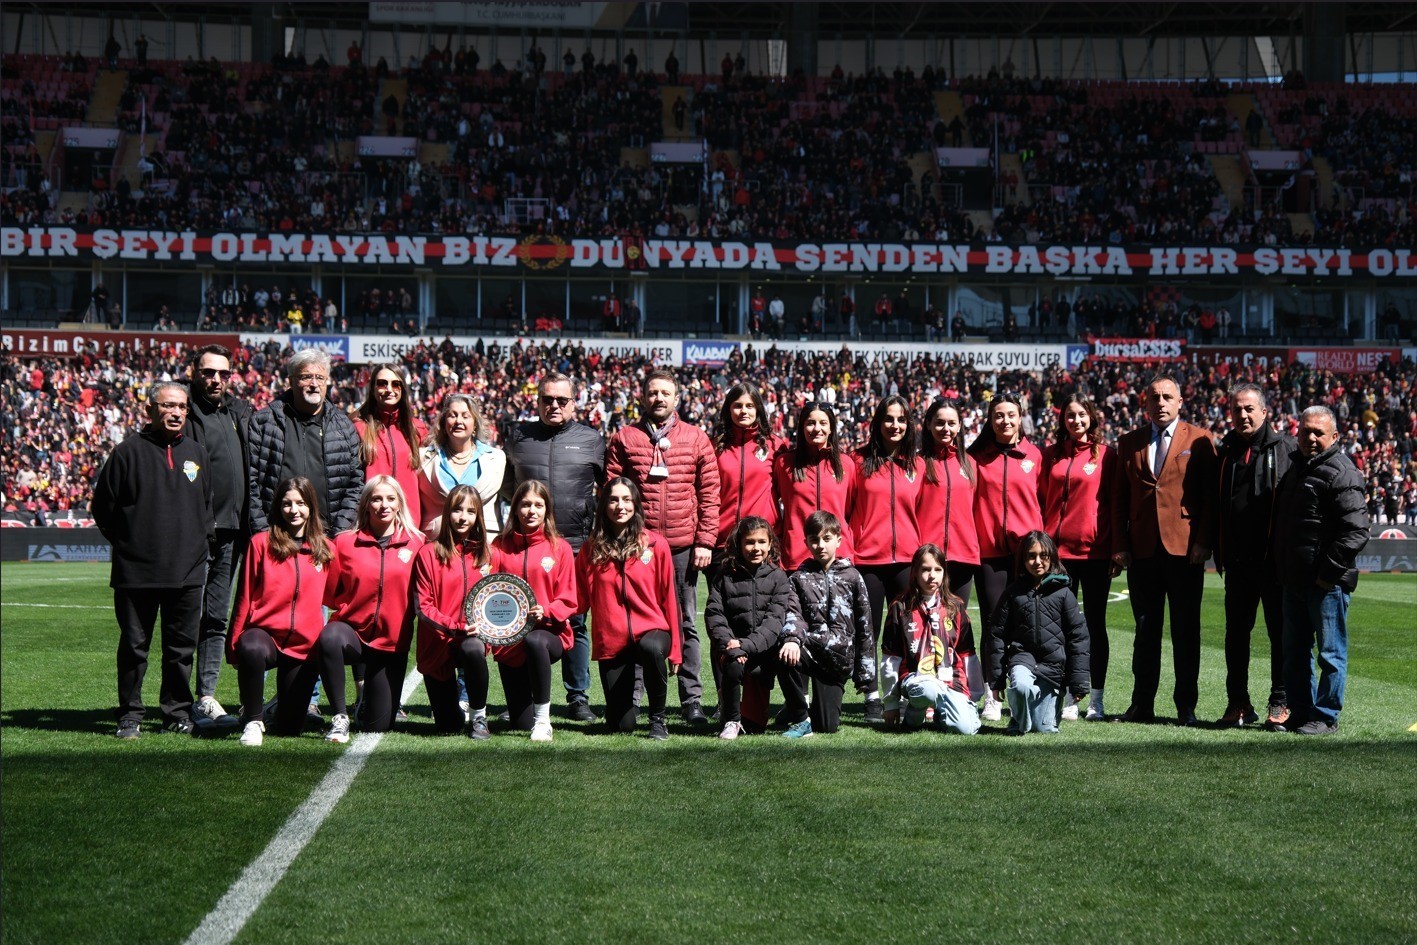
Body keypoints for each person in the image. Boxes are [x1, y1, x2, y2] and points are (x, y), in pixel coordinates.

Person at [92, 382, 213, 738]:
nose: (176, 413)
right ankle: (130, 714)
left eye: (182, 407)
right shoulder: (126, 453)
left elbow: (206, 506)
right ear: (150, 411)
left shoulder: (197, 453)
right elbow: (104, 509)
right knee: (134, 648)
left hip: (188, 572)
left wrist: (203, 542)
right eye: (168, 406)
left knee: (180, 650)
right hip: (136, 572)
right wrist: (132, 544)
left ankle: (176, 711)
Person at [606, 369, 719, 725]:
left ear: (676, 398)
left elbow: (710, 494)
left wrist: (705, 540)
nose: (658, 398)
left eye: (665, 393)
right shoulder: (625, 438)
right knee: (637, 624)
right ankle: (637, 699)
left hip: (684, 546)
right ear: (643, 397)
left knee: (686, 622)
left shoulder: (697, 438)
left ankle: (692, 700)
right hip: (638, 547)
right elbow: (612, 490)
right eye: (652, 392)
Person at [1111, 374, 1217, 726]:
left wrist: (1204, 541)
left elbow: (1209, 497)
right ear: (1145, 402)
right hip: (1142, 551)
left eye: (1167, 396)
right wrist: (1121, 546)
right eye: (1154, 396)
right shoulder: (1129, 442)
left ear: (1180, 401)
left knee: (1186, 631)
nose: (1160, 402)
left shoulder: (1201, 439)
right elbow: (1118, 501)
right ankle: (1142, 704)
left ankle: (1186, 706)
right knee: (1145, 633)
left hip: (1185, 550)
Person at [503, 373, 605, 722]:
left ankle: (578, 698)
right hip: (525, 549)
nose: (555, 406)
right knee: (520, 621)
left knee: (573, 621)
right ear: (538, 400)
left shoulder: (591, 440)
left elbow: (608, 492)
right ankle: (524, 700)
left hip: (574, 547)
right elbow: (507, 488)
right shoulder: (518, 437)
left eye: (562, 400)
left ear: (574, 402)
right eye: (548, 399)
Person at [1271, 406, 1369, 735]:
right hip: (1294, 581)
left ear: (1334, 437)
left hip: (1325, 584)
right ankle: (1301, 712)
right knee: (1294, 653)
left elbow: (1356, 531)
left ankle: (1326, 716)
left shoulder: (1342, 472)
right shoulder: (1296, 470)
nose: (1311, 438)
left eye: (1318, 433)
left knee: (1330, 653)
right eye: (1305, 431)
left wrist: (1326, 574)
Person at [316, 476, 424, 743]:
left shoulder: (418, 543)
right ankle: (340, 717)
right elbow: (330, 592)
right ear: (366, 504)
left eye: (390, 498)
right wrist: (350, 607)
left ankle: (366, 699)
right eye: (376, 498)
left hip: (391, 645)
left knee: (378, 726)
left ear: (399, 503)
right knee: (329, 637)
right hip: (352, 634)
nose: (383, 505)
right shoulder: (344, 543)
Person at [228, 477, 334, 746]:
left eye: (300, 503)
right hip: (265, 637)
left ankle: (275, 710)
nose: (294, 510)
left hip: (304, 646)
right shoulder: (260, 543)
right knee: (251, 646)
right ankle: (253, 720)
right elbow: (244, 597)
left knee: (289, 729)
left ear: (311, 507)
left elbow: (339, 595)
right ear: (278, 507)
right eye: (287, 504)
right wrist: (234, 644)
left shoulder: (326, 549)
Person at [1213, 384, 1295, 729]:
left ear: (1264, 412)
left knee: (1280, 634)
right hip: (1237, 563)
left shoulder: (1286, 449)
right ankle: (1238, 702)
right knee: (1236, 636)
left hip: (1273, 565)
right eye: (1237, 410)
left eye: (1249, 409)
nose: (1243, 415)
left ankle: (1281, 701)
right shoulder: (1226, 451)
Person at [576, 477, 681, 740]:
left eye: (625, 499)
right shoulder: (591, 548)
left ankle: (658, 720)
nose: (619, 506)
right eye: (613, 499)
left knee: (650, 648)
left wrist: (676, 652)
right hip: (613, 641)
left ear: (635, 503)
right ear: (603, 505)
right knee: (621, 726)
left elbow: (670, 598)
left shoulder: (656, 545)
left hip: (653, 631)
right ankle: (626, 713)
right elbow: (576, 599)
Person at [184, 344, 252, 723]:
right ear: (195, 372)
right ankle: (177, 701)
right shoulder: (185, 413)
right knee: (186, 616)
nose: (215, 380)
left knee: (215, 618)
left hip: (233, 533)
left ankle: (206, 695)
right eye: (208, 372)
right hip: (196, 533)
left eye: (222, 374)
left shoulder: (236, 412)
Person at [968, 393, 1044, 722]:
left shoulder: (1035, 456)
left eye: (1011, 415)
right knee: (993, 626)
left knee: (1025, 626)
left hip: (1026, 557)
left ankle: (1023, 690)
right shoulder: (975, 457)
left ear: (1021, 416)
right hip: (988, 554)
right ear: (990, 419)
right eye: (998, 415)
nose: (1005, 421)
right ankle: (992, 693)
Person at [1039, 396, 1115, 721]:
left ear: (1091, 417)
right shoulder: (1051, 455)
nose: (1076, 420)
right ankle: (1070, 694)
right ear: (1063, 420)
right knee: (1061, 629)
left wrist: (1114, 547)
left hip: (1094, 553)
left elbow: (1114, 504)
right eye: (1070, 415)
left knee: (1094, 626)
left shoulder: (1106, 456)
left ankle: (1095, 699)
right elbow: (1041, 499)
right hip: (1058, 557)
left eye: (1082, 414)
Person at [847, 395, 922, 723]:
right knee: (868, 632)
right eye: (889, 419)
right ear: (877, 423)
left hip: (907, 560)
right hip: (867, 560)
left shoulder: (917, 465)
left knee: (907, 633)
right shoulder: (856, 461)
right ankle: (872, 696)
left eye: (901, 419)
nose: (895, 425)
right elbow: (846, 509)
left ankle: (903, 692)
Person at [489, 480, 579, 742]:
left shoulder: (559, 547)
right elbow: (489, 593)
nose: (531, 511)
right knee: (519, 723)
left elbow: (569, 599)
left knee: (535, 639)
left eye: (538, 505)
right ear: (515, 508)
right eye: (525, 504)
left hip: (549, 634)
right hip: (510, 642)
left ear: (546, 510)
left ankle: (543, 721)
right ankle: (525, 713)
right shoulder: (499, 546)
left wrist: (547, 610)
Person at [247, 349, 363, 536]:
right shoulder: (264, 422)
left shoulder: (344, 427)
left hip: (326, 537)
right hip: (276, 535)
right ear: (291, 381)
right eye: (306, 377)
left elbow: (356, 483)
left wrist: (340, 530)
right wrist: (263, 531)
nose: (314, 384)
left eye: (320, 377)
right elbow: (251, 480)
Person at [986, 531, 1090, 735]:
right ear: (1022, 560)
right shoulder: (1013, 593)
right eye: (1031, 556)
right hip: (1022, 660)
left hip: (1052, 669)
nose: (1037, 561)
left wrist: (1077, 684)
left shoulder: (1064, 594)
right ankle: (1019, 717)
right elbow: (996, 635)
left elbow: (1078, 637)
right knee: (1021, 688)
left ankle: (1035, 709)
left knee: (1044, 729)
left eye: (1044, 556)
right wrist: (996, 681)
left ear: (1052, 557)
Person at [782, 511, 874, 736]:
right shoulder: (798, 579)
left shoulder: (852, 577)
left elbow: (865, 627)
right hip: (810, 649)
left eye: (826, 538)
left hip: (837, 659)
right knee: (784, 651)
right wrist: (793, 639)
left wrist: (865, 675)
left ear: (838, 540)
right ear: (806, 542)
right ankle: (800, 717)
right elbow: (793, 615)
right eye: (814, 540)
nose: (820, 545)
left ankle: (809, 710)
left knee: (827, 727)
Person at [705, 517, 798, 740]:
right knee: (733, 665)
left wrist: (746, 645)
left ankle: (793, 713)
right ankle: (731, 719)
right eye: (749, 542)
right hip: (733, 650)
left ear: (770, 545)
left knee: (756, 727)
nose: (755, 548)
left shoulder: (779, 577)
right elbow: (714, 615)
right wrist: (732, 645)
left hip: (762, 655)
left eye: (761, 542)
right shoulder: (724, 576)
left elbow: (774, 623)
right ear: (739, 544)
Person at [413, 486, 493, 739]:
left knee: (472, 648)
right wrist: (456, 626)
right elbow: (423, 607)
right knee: (448, 726)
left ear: (478, 516)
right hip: (438, 642)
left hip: (470, 639)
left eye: (471, 511)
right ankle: (455, 711)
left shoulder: (488, 555)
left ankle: (479, 716)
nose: (463, 517)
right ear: (447, 512)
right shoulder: (427, 553)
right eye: (457, 509)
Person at [879, 543, 981, 735]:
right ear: (915, 573)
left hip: (951, 680)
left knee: (966, 729)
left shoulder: (955, 607)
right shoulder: (900, 607)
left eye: (937, 569)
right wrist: (891, 702)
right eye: (925, 569)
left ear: (944, 573)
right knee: (928, 689)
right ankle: (915, 711)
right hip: (914, 678)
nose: (932, 575)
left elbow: (967, 654)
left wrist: (973, 696)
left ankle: (941, 714)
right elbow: (890, 658)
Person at [775, 401, 855, 572]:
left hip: (838, 558)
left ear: (831, 428)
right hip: (796, 559)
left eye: (823, 423)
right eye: (810, 423)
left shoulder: (846, 464)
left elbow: (849, 510)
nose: (817, 428)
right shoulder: (784, 463)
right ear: (802, 427)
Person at [712, 383, 782, 574]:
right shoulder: (715, 446)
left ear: (758, 409)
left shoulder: (775, 446)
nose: (744, 411)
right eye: (738, 405)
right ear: (729, 409)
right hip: (723, 543)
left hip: (762, 543)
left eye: (749, 406)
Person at [917, 399, 980, 609]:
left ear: (960, 425)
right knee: (928, 622)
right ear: (928, 424)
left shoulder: (970, 463)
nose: (946, 428)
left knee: (958, 621)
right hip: (929, 558)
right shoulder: (917, 463)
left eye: (951, 423)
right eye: (940, 422)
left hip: (963, 555)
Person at [418, 394, 506, 539]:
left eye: (465, 416)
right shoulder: (423, 458)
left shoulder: (497, 458)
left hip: (483, 544)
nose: (458, 421)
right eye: (452, 416)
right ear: (444, 422)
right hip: (437, 543)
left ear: (475, 424)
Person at [354, 363, 428, 528]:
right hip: (370, 524)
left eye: (396, 384)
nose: (389, 389)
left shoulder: (417, 429)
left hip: (410, 525)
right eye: (382, 383)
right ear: (372, 388)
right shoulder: (358, 428)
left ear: (403, 389)